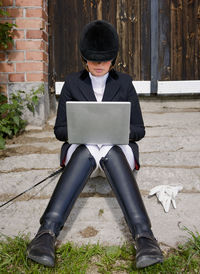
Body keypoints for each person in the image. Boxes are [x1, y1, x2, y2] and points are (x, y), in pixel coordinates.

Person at [27, 20, 163, 269]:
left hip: (116, 154)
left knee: (108, 148)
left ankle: (145, 238)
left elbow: (139, 130)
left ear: (113, 60)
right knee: (89, 148)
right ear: (84, 58)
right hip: (83, 156)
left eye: (104, 60)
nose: (99, 65)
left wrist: (116, 130)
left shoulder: (124, 83)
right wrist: (85, 130)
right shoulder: (72, 83)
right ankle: (45, 235)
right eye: (93, 60)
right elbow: (60, 131)